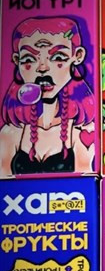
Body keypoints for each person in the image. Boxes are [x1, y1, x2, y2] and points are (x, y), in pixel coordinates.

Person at [0, 16, 95, 176]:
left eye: (57, 57)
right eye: (29, 59)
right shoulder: (11, 133)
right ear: (17, 61)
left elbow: (84, 182)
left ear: (77, 56)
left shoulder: (81, 131)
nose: (43, 68)